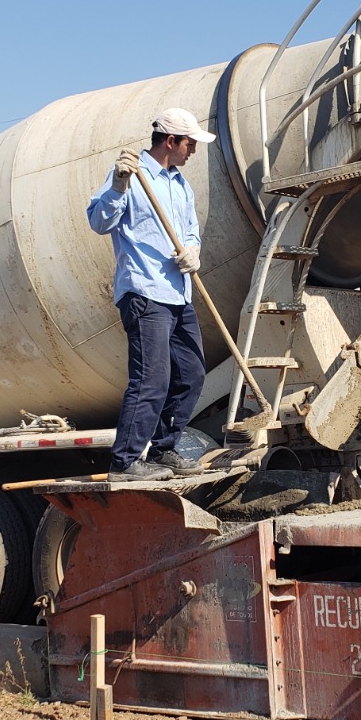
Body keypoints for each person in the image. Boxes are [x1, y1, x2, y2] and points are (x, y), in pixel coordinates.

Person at [86, 107, 212, 482]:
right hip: (144, 293)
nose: (193, 151)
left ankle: (164, 449)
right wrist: (119, 187)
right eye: (190, 144)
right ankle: (124, 462)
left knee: (191, 374)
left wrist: (193, 251)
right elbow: (99, 222)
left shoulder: (180, 185)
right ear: (171, 141)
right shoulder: (130, 174)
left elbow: (190, 231)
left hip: (178, 294)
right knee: (151, 379)